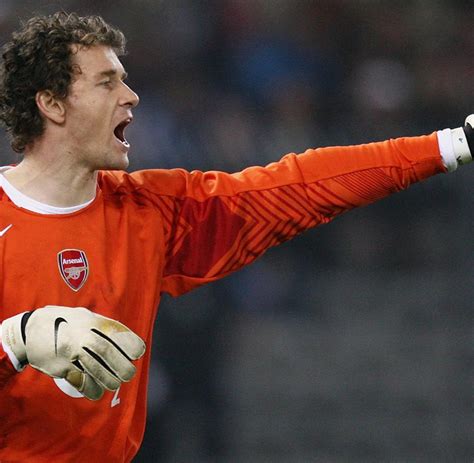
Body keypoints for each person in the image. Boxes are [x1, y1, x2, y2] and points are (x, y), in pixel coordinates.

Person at [0, 11, 471, 463]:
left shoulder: (150, 212)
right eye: (106, 82)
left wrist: (449, 145)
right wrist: (16, 341)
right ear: (52, 103)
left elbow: (297, 187)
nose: (131, 95)